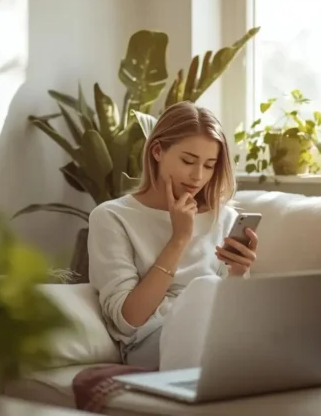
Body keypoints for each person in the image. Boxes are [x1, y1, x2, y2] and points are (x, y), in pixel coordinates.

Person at [87, 101, 259, 371]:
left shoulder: (222, 217)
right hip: (151, 340)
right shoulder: (111, 217)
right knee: (207, 289)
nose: (197, 176)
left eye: (209, 165)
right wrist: (179, 238)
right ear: (157, 151)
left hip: (220, 333)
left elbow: (234, 312)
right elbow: (129, 319)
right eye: (188, 161)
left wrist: (238, 272)